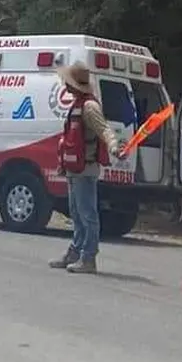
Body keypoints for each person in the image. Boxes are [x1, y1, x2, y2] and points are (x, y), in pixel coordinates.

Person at [49, 61, 124, 274]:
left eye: (67, 82)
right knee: (76, 212)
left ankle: (88, 258)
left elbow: (104, 129)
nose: (64, 85)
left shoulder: (90, 107)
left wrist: (114, 147)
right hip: (75, 168)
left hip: (85, 168)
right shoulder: (78, 104)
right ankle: (75, 252)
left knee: (87, 214)